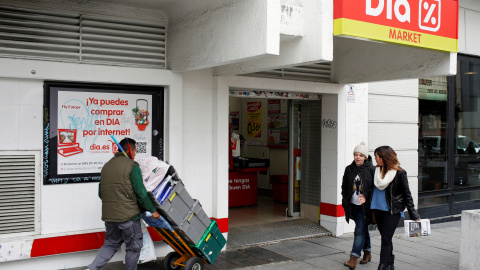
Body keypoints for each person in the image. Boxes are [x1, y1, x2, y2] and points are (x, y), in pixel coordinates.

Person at [87, 138, 160, 270]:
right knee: (133, 248)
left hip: (110, 218)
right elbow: (141, 193)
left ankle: (92, 268)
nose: (136, 154)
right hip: (128, 218)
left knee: (110, 244)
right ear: (130, 150)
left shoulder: (107, 166)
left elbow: (101, 193)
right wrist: (152, 210)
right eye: (135, 151)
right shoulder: (132, 166)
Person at [371, 146, 421, 270]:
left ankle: (382, 266)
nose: (375, 158)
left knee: (386, 238)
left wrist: (413, 214)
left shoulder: (399, 173)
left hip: (392, 211)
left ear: (384, 157)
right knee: (385, 238)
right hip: (377, 210)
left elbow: (407, 195)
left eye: (377, 156)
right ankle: (390, 263)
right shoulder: (376, 171)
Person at [341, 142, 375, 270]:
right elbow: (344, 186)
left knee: (359, 231)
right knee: (363, 228)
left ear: (365, 157)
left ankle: (354, 257)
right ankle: (367, 252)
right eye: (356, 154)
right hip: (352, 205)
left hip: (364, 207)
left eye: (361, 155)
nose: (358, 157)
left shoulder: (371, 169)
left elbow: (374, 188)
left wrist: (367, 196)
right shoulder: (349, 169)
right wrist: (345, 201)